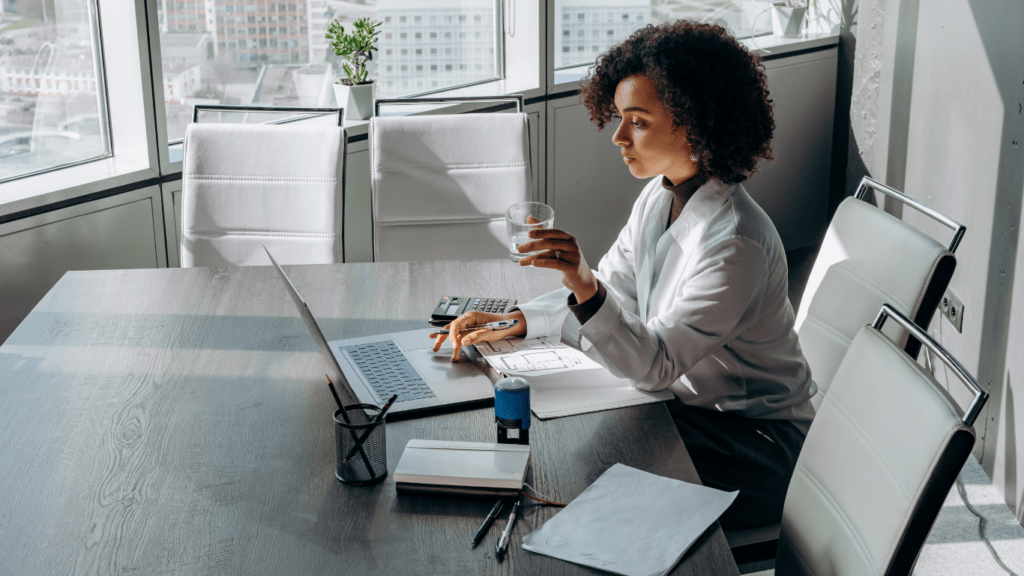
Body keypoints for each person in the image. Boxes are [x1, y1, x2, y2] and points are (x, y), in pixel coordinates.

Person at [432, 20, 816, 529]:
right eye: (619, 118)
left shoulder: (735, 243)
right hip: (690, 412)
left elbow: (655, 363)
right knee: (571, 446)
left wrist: (582, 282)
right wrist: (517, 321)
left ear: (695, 122)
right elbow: (614, 288)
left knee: (578, 466)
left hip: (756, 447)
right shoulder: (661, 195)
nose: (617, 137)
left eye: (636, 121)